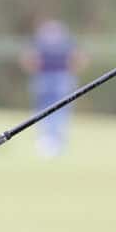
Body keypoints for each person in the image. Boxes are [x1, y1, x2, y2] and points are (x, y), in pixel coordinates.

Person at [19, 18, 85, 157]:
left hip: (61, 77)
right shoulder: (41, 42)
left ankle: (56, 141)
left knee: (60, 111)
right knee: (43, 110)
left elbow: (78, 58)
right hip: (44, 77)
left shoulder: (66, 43)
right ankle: (47, 140)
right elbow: (29, 58)